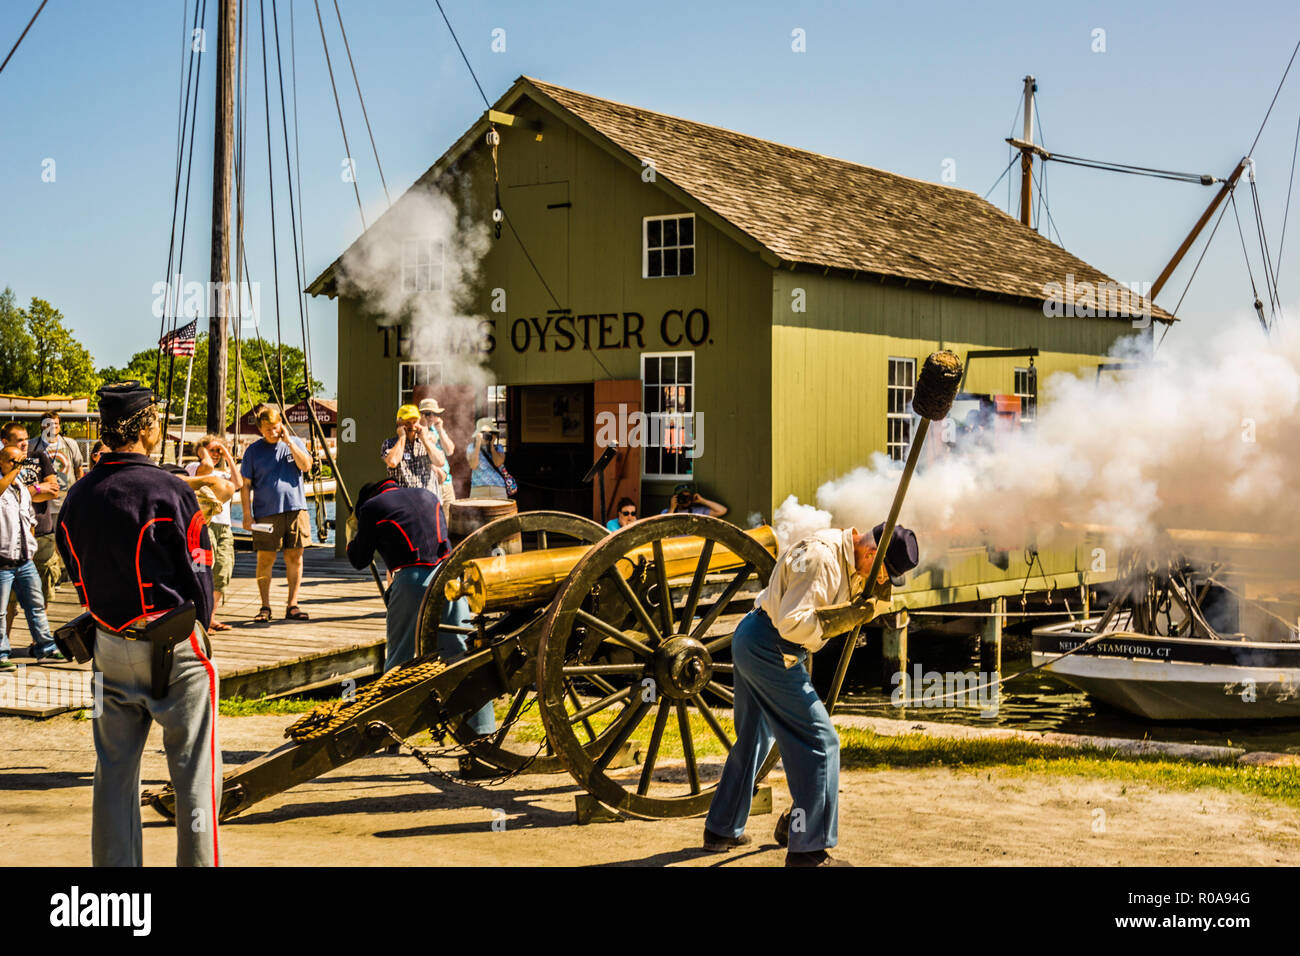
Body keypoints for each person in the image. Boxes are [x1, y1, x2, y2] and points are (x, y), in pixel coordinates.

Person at [56, 381, 220, 867]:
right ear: (147, 427)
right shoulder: (169, 490)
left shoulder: (78, 496)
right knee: (194, 776)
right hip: (173, 643)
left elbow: (75, 571)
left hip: (107, 641)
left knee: (113, 775)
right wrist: (202, 626)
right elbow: (200, 570)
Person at [702, 521, 918, 867]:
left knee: (755, 738)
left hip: (756, 639)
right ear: (871, 553)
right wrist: (846, 617)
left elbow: (858, 603)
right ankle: (807, 850)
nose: (881, 581)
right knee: (821, 742)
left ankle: (721, 828)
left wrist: (867, 601)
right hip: (771, 646)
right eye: (884, 573)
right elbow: (793, 622)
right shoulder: (822, 558)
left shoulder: (848, 557)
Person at [345, 478, 494, 734]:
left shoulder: (371, 507)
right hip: (450, 576)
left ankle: (389, 731)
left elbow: (359, 559)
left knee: (400, 659)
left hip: (412, 581)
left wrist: (352, 531)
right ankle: (481, 728)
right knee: (459, 653)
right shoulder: (427, 495)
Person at [239, 406, 313, 623]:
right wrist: (246, 514)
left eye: (276, 427)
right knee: (265, 559)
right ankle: (265, 606)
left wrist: (289, 442)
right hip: (266, 512)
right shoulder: (253, 451)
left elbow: (306, 466)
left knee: (295, 557)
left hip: (296, 509)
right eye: (268, 429)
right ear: (260, 429)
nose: (273, 431)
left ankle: (293, 604)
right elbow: (245, 486)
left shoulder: (295, 443)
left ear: (281, 423)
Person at [0, 445, 62, 668]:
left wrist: (31, 546)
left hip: (24, 559)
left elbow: (29, 520)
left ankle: (45, 647)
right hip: (2, 560)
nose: (18, 466)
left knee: (36, 605)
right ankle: (1, 653)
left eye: (20, 462)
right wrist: (15, 472)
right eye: (12, 461)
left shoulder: (20, 488)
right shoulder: (4, 484)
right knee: (0, 611)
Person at [185, 435, 241, 631]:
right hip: (205, 524)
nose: (215, 455)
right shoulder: (194, 469)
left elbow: (239, 483)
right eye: (212, 450)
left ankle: (210, 615)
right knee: (205, 569)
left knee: (223, 570)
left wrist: (226, 453)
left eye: (218, 451)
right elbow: (207, 467)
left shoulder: (224, 475)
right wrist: (203, 451)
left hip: (224, 526)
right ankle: (201, 617)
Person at [380, 404, 448, 493]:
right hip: (402, 500)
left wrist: (424, 439)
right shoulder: (389, 443)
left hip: (426, 499)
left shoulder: (427, 441)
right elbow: (392, 462)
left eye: (414, 422)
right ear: (399, 423)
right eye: (407, 423)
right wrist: (402, 437)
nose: (412, 426)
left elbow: (440, 462)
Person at [418, 397, 457, 510]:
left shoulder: (437, 429)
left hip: (446, 483)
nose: (431, 417)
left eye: (435, 414)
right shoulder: (418, 431)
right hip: (428, 483)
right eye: (428, 414)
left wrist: (440, 429)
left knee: (449, 522)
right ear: (421, 415)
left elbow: (450, 450)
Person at [466, 417, 508, 499]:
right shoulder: (471, 448)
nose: (487, 435)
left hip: (498, 489)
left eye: (490, 433)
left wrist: (492, 445)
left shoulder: (498, 447)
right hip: (478, 489)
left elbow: (498, 463)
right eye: (483, 433)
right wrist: (478, 444)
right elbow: (473, 465)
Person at [661, 482, 727, 518]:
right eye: (683, 497)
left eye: (688, 497)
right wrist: (672, 508)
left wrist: (702, 501)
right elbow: (663, 525)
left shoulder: (699, 512)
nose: (686, 499)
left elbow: (722, 510)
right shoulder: (667, 512)